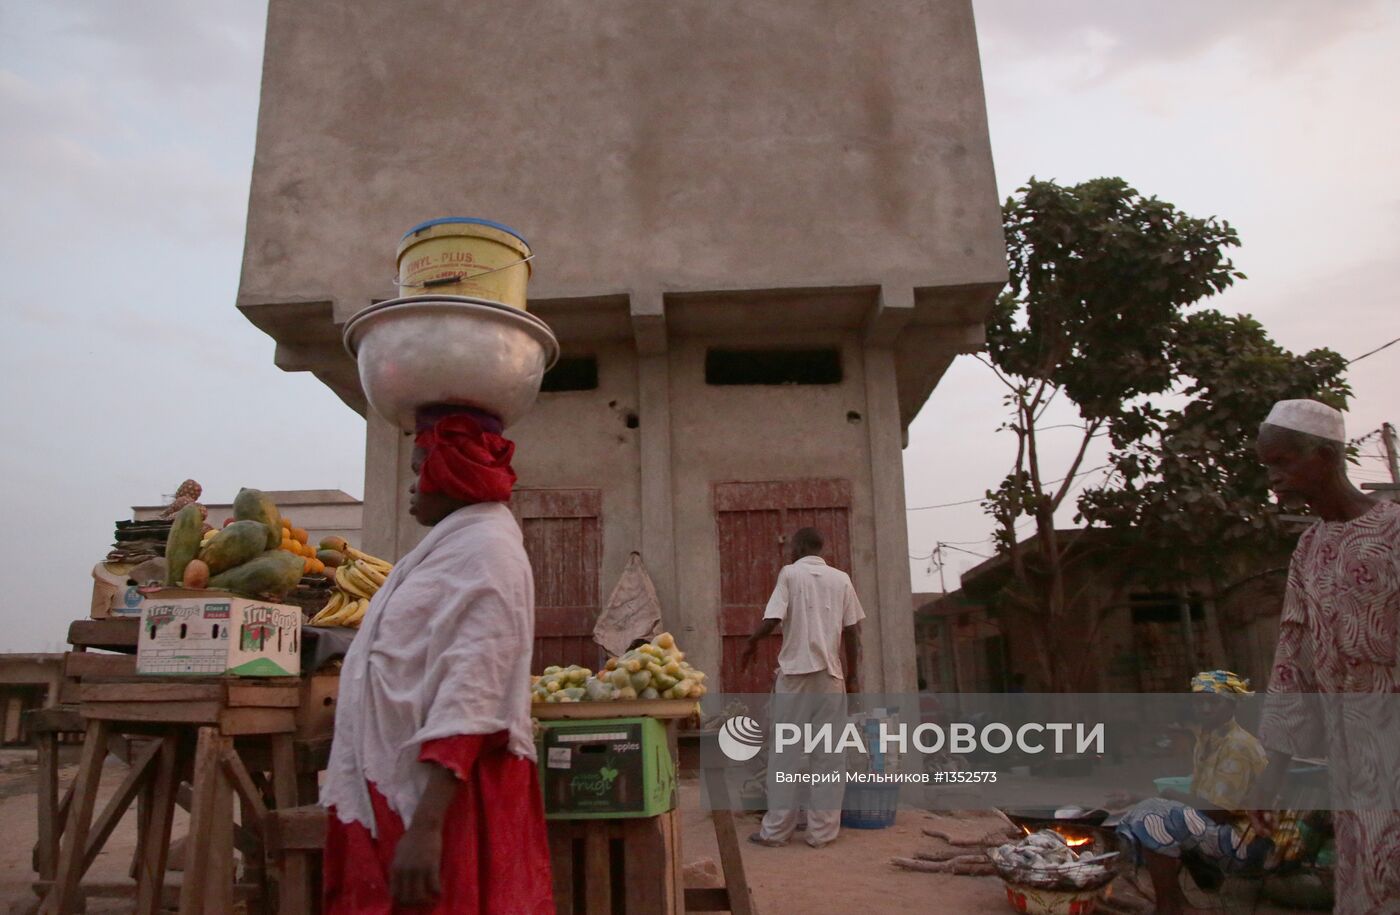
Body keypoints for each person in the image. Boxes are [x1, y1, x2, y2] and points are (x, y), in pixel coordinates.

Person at [320, 406, 553, 914]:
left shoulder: (488, 551)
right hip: (398, 786)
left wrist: (426, 829)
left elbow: (474, 689)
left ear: (450, 471)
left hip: (444, 799)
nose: (411, 485)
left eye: (419, 468)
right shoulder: (450, 545)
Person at [1249, 398, 1400, 914]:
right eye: (1268, 466)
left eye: (1284, 462)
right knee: (1365, 885)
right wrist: (1270, 779)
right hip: (1353, 771)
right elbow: (1293, 666)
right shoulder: (1308, 550)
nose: (1274, 478)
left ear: (1327, 457)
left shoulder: (1395, 534)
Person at [1115, 671, 1291, 915]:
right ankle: (1178, 905)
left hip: (1249, 841)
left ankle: (1169, 908)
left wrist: (1167, 795)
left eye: (1213, 701)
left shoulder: (1237, 745)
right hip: (1219, 828)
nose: (1205, 708)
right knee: (1147, 814)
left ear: (1231, 704)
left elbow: (1216, 811)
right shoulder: (1207, 738)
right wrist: (1138, 797)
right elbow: (1198, 793)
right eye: (1200, 702)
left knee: (1150, 818)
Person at [740, 527, 864, 849]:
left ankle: (776, 832)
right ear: (821, 549)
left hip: (795, 678)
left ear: (797, 547)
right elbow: (852, 632)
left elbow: (771, 620)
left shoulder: (790, 574)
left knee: (786, 756)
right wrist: (852, 677)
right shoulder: (842, 579)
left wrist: (751, 643)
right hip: (831, 678)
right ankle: (822, 833)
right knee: (829, 757)